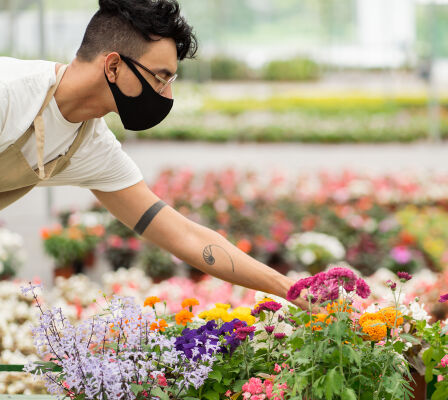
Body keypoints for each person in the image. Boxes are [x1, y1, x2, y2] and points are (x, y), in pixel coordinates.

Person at [0, 0, 305, 308]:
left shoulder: (90, 146)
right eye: (161, 78)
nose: (167, 96)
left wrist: (293, 290)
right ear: (113, 66)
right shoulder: (9, 95)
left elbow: (185, 236)